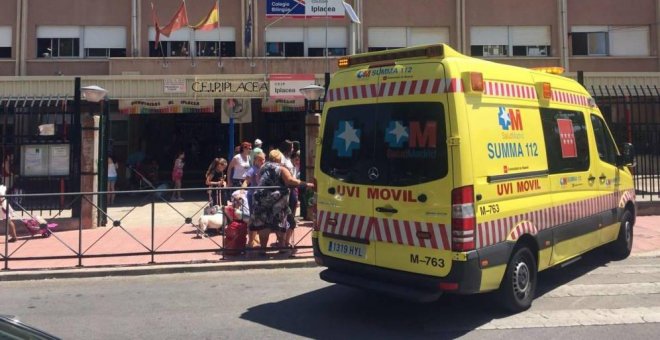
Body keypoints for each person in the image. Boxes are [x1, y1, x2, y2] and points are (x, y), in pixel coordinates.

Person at [250, 149, 314, 256]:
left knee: (263, 224)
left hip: (261, 200)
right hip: (277, 201)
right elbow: (290, 181)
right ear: (279, 158)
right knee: (281, 222)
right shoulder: (281, 169)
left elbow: (258, 180)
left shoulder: (263, 167)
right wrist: (306, 184)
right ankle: (282, 247)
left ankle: (263, 249)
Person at [243, 151, 265, 248]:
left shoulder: (264, 169)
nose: (262, 161)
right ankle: (250, 241)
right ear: (255, 160)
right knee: (253, 218)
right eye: (260, 159)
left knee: (260, 218)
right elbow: (246, 182)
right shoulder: (252, 169)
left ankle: (256, 238)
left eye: (263, 159)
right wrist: (241, 191)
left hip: (262, 196)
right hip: (253, 196)